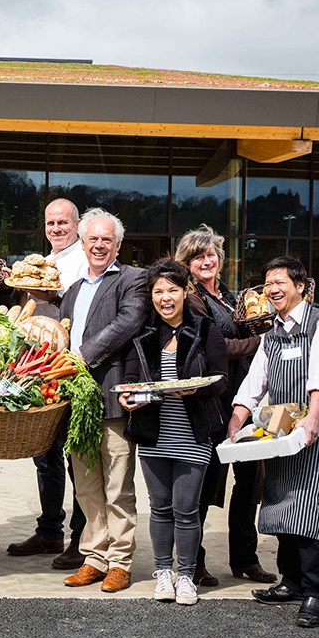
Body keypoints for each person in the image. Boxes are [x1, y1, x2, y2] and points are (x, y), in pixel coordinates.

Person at [229, 256, 319, 629]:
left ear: (301, 287)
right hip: (279, 427)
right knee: (279, 498)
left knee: (305, 501)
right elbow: (255, 380)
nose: (273, 289)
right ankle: (291, 580)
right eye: (268, 284)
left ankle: (317, 590)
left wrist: (312, 419)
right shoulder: (272, 331)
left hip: (314, 424)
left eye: (280, 282)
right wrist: (238, 418)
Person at [119, 259, 229, 605]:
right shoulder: (145, 334)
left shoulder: (205, 329)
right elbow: (135, 381)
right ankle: (163, 573)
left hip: (194, 433)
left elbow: (221, 377)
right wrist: (130, 399)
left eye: (172, 290)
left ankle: (187, 576)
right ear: (151, 296)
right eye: (158, 291)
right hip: (154, 433)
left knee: (187, 508)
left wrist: (197, 390)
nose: (165, 297)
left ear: (184, 292)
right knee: (159, 507)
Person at [176, 225, 277, 587]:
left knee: (249, 482)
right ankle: (194, 561)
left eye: (212, 254)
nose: (207, 261)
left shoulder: (229, 295)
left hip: (244, 401)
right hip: (213, 403)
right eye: (198, 256)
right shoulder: (191, 299)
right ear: (186, 263)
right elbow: (213, 346)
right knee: (205, 484)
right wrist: (262, 341)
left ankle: (245, 558)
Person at [59, 208, 148, 593]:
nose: (98, 245)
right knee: (86, 486)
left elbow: (128, 322)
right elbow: (61, 334)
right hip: (78, 402)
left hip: (113, 396)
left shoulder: (133, 280)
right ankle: (94, 557)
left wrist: (83, 354)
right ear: (82, 243)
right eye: (92, 239)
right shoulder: (73, 289)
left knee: (118, 487)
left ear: (117, 245)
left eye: (106, 240)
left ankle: (120, 562)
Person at [6, 198, 89, 569]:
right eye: (51, 223)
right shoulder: (39, 265)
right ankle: (50, 529)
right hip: (36, 367)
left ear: (77, 224)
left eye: (63, 223)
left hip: (68, 367)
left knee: (76, 459)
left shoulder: (85, 261)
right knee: (45, 455)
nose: (56, 229)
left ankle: (81, 539)